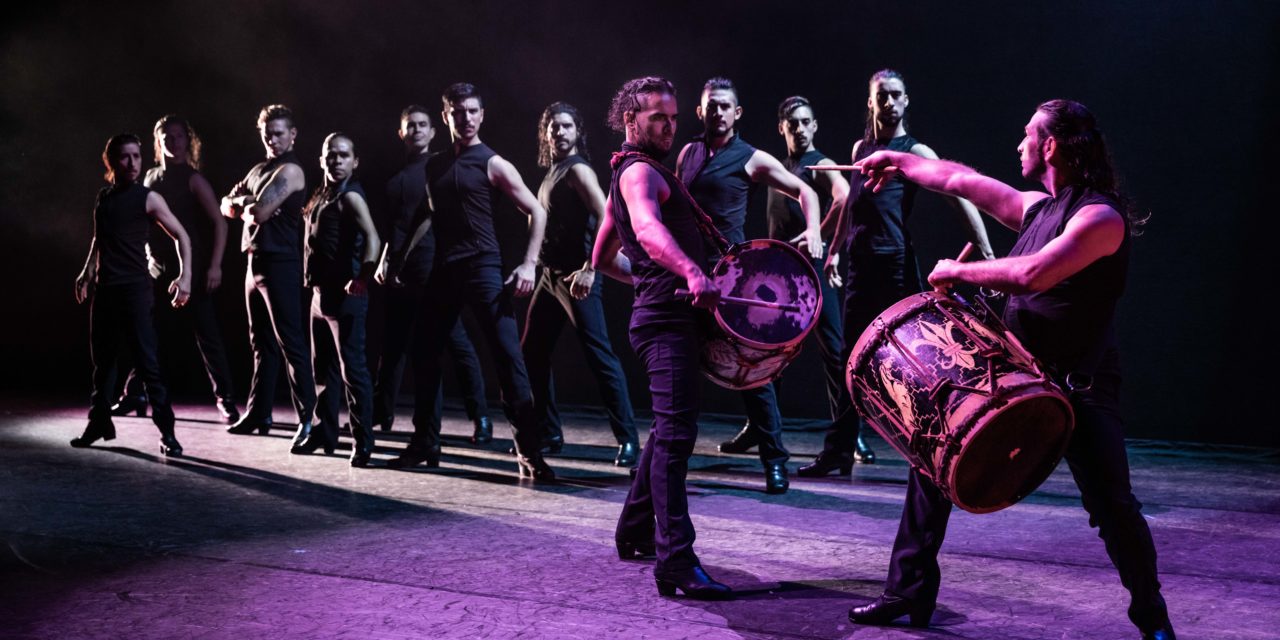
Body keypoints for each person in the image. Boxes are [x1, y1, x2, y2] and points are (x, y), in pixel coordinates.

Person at [845, 99, 1175, 640]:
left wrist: (961, 270)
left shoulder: (1100, 217)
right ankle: (907, 593)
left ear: (1050, 145)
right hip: (1017, 376)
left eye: (1027, 135)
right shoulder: (1037, 208)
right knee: (931, 462)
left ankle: (1152, 616)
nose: (1017, 144)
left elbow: (1035, 272)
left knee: (1112, 506)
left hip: (1078, 387)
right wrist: (895, 161)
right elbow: (958, 178)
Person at [800, 69, 994, 477]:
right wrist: (835, 251)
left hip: (896, 266)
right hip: (861, 267)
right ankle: (838, 453)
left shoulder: (915, 151)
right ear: (870, 103)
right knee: (848, 363)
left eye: (895, 96)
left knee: (909, 366)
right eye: (881, 97)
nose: (888, 103)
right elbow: (854, 208)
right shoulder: (861, 148)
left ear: (906, 102)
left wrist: (986, 249)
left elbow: (959, 191)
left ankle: (927, 454)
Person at [595, 76, 731, 600]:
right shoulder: (637, 174)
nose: (670, 126)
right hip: (666, 323)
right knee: (676, 439)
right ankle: (675, 560)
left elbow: (604, 259)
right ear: (631, 120)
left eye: (674, 118)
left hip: (660, 314)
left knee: (669, 428)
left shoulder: (628, 172)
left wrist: (655, 279)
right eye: (658, 117)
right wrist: (690, 275)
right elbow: (649, 232)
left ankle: (633, 530)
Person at [384, 83, 553, 480]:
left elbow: (536, 211)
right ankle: (425, 442)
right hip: (445, 270)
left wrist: (529, 265)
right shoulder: (435, 165)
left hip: (483, 268)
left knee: (509, 361)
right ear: (446, 117)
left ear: (482, 115)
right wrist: (398, 257)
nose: (467, 119)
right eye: (458, 112)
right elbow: (428, 217)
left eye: (473, 111)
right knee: (424, 353)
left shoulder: (493, 163)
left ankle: (529, 452)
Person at [675, 77, 824, 495]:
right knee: (681, 370)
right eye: (712, 106)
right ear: (700, 112)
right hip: (688, 275)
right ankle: (671, 462)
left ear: (736, 113)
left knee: (752, 374)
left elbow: (805, 191)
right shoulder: (688, 153)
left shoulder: (751, 158)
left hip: (730, 281)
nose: (718, 112)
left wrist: (813, 229)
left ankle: (775, 462)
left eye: (726, 106)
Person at [721, 96, 849, 463]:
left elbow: (843, 197)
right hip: (778, 277)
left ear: (815, 125)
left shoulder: (820, 164)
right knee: (765, 356)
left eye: (806, 121)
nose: (800, 128)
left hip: (809, 274)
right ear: (783, 128)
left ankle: (848, 435)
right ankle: (759, 428)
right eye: (793, 123)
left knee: (835, 355)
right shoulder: (779, 166)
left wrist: (821, 238)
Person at [520, 101, 638, 467]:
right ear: (546, 133)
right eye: (554, 127)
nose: (560, 132)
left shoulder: (578, 171)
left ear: (577, 132)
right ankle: (549, 431)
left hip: (576, 276)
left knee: (599, 355)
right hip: (550, 276)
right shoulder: (552, 172)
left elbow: (610, 219)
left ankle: (629, 440)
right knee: (531, 353)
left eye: (567, 126)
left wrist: (590, 268)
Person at [109, 115, 238, 425]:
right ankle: (135, 393)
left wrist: (216, 266)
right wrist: (147, 255)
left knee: (207, 334)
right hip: (159, 268)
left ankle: (226, 399)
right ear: (158, 141)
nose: (173, 142)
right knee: (146, 332)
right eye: (167, 136)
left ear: (187, 140)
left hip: (192, 266)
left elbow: (220, 223)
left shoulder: (194, 179)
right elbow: (143, 220)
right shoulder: (150, 177)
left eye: (179, 136)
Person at [373, 105, 491, 440]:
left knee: (456, 344)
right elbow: (394, 227)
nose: (417, 131)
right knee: (393, 345)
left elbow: (430, 219)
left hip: (432, 268)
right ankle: (381, 413)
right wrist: (386, 260)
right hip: (398, 271)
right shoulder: (396, 179)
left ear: (433, 131)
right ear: (401, 133)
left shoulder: (439, 167)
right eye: (410, 126)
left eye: (423, 125)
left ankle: (481, 417)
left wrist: (406, 258)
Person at [73, 133, 192, 456]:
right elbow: (100, 238)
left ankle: (168, 434)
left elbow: (182, 235)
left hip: (135, 291)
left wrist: (186, 277)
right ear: (112, 161)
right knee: (104, 364)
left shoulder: (148, 198)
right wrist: (88, 272)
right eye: (125, 157)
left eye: (137, 156)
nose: (133, 163)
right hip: (107, 291)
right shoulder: (105, 198)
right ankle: (99, 423)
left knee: (147, 363)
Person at [221, 104, 317, 453]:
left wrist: (245, 204)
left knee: (291, 344)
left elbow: (258, 212)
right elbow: (224, 204)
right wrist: (245, 203)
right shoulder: (259, 169)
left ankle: (310, 420)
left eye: (279, 133)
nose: (273, 139)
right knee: (260, 343)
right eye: (268, 134)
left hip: (281, 263)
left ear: (292, 135)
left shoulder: (291, 170)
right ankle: (259, 413)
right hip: (254, 262)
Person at [297, 133, 381, 467]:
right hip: (319, 297)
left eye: (343, 155)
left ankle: (362, 442)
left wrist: (363, 277)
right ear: (322, 160)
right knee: (322, 371)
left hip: (344, 298)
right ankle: (323, 433)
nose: (336, 160)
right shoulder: (323, 195)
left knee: (353, 371)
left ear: (354, 161)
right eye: (330, 155)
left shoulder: (350, 198)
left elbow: (374, 237)